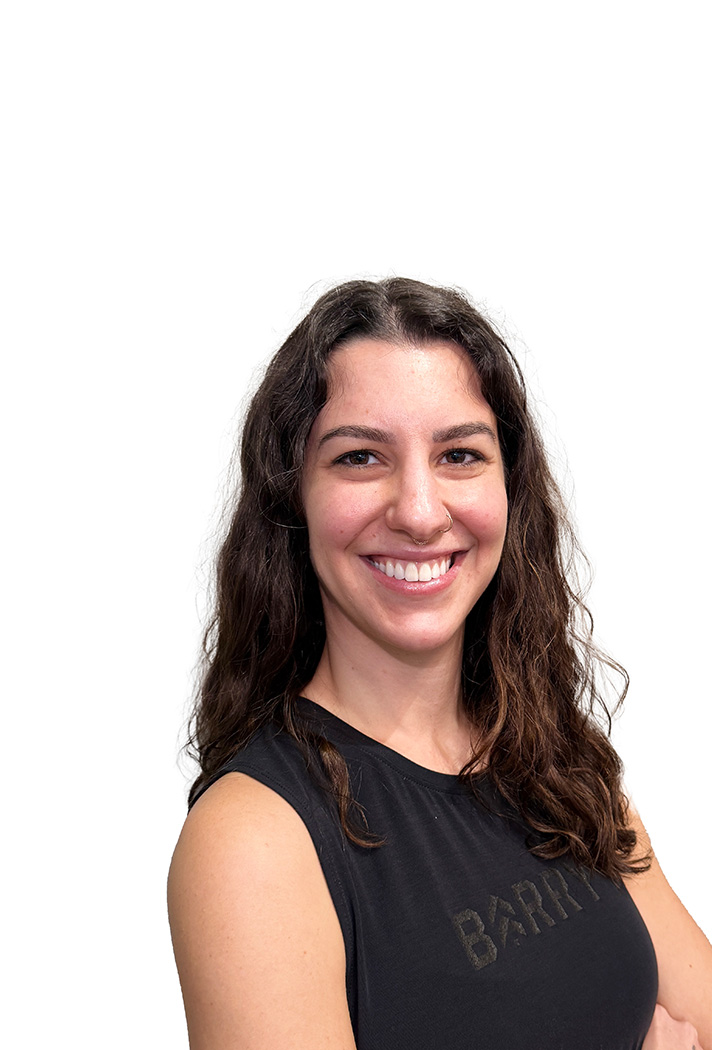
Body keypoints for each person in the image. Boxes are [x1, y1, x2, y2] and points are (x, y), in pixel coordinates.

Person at [168, 277, 711, 1050]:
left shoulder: (562, 772)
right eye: (360, 457)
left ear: (509, 490)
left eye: (459, 454)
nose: (420, 512)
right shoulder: (254, 841)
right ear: (295, 500)